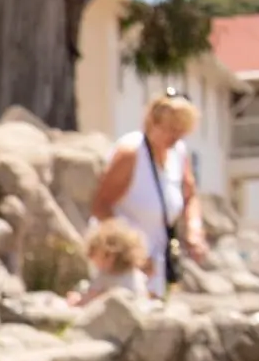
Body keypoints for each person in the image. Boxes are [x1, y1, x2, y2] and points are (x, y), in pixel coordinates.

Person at [89, 92, 208, 297]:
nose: (174, 137)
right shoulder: (130, 153)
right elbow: (101, 205)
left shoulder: (178, 153)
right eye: (170, 129)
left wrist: (193, 230)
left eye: (180, 131)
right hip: (121, 263)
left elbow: (190, 196)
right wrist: (131, 252)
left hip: (157, 259)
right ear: (152, 122)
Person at [67, 218, 152, 306]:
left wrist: (81, 301)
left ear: (110, 256)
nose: (93, 261)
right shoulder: (104, 273)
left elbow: (100, 297)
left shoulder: (130, 279)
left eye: (95, 255)